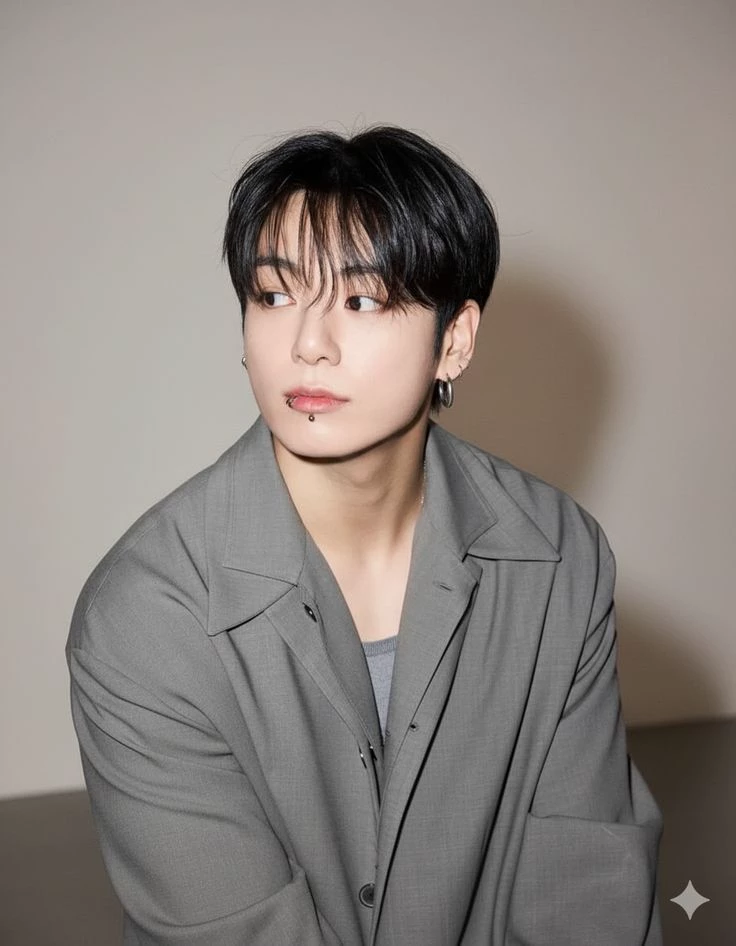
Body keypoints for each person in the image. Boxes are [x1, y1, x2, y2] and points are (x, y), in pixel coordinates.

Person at [66, 125, 663, 946]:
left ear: (454, 341)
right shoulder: (145, 616)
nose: (306, 344)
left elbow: (584, 900)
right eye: (274, 296)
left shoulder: (559, 557)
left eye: (362, 301)